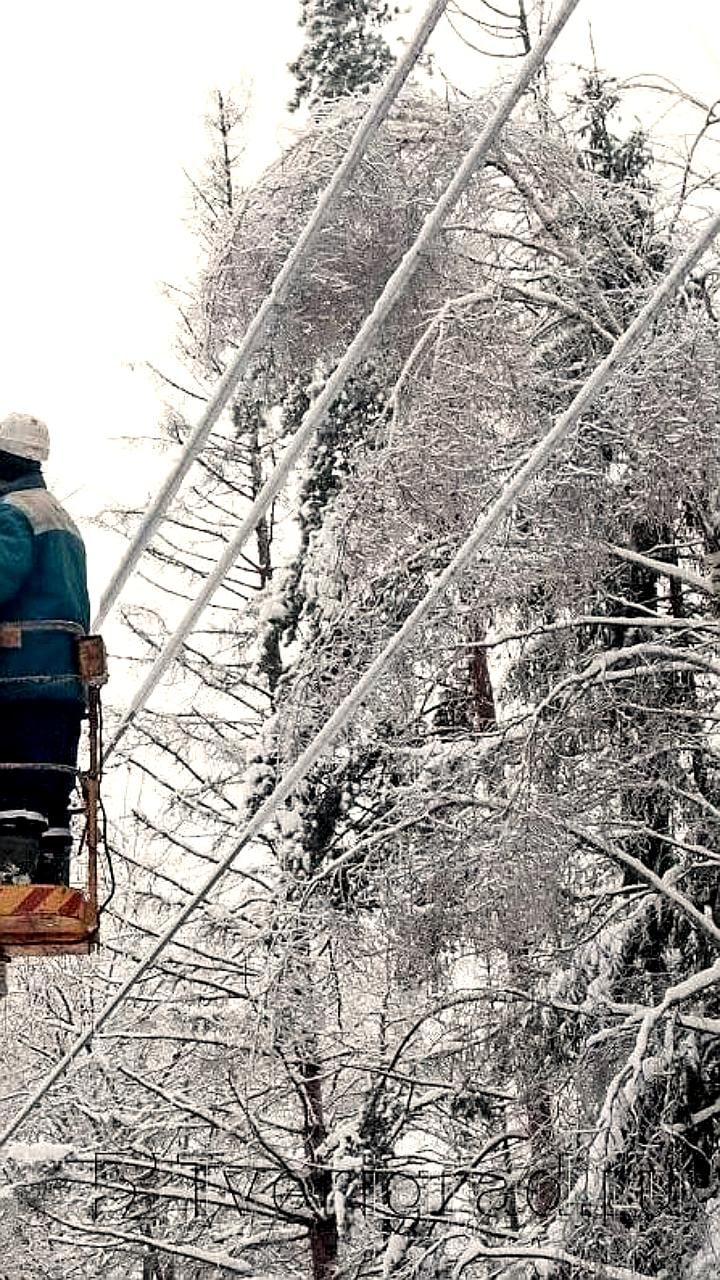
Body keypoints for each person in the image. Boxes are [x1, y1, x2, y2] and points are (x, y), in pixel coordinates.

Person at [0, 413, 90, 884]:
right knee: (49, 785)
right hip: (64, 686)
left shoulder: (12, 513)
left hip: (19, 679)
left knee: (12, 785)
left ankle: (9, 876)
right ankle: (47, 878)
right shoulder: (59, 516)